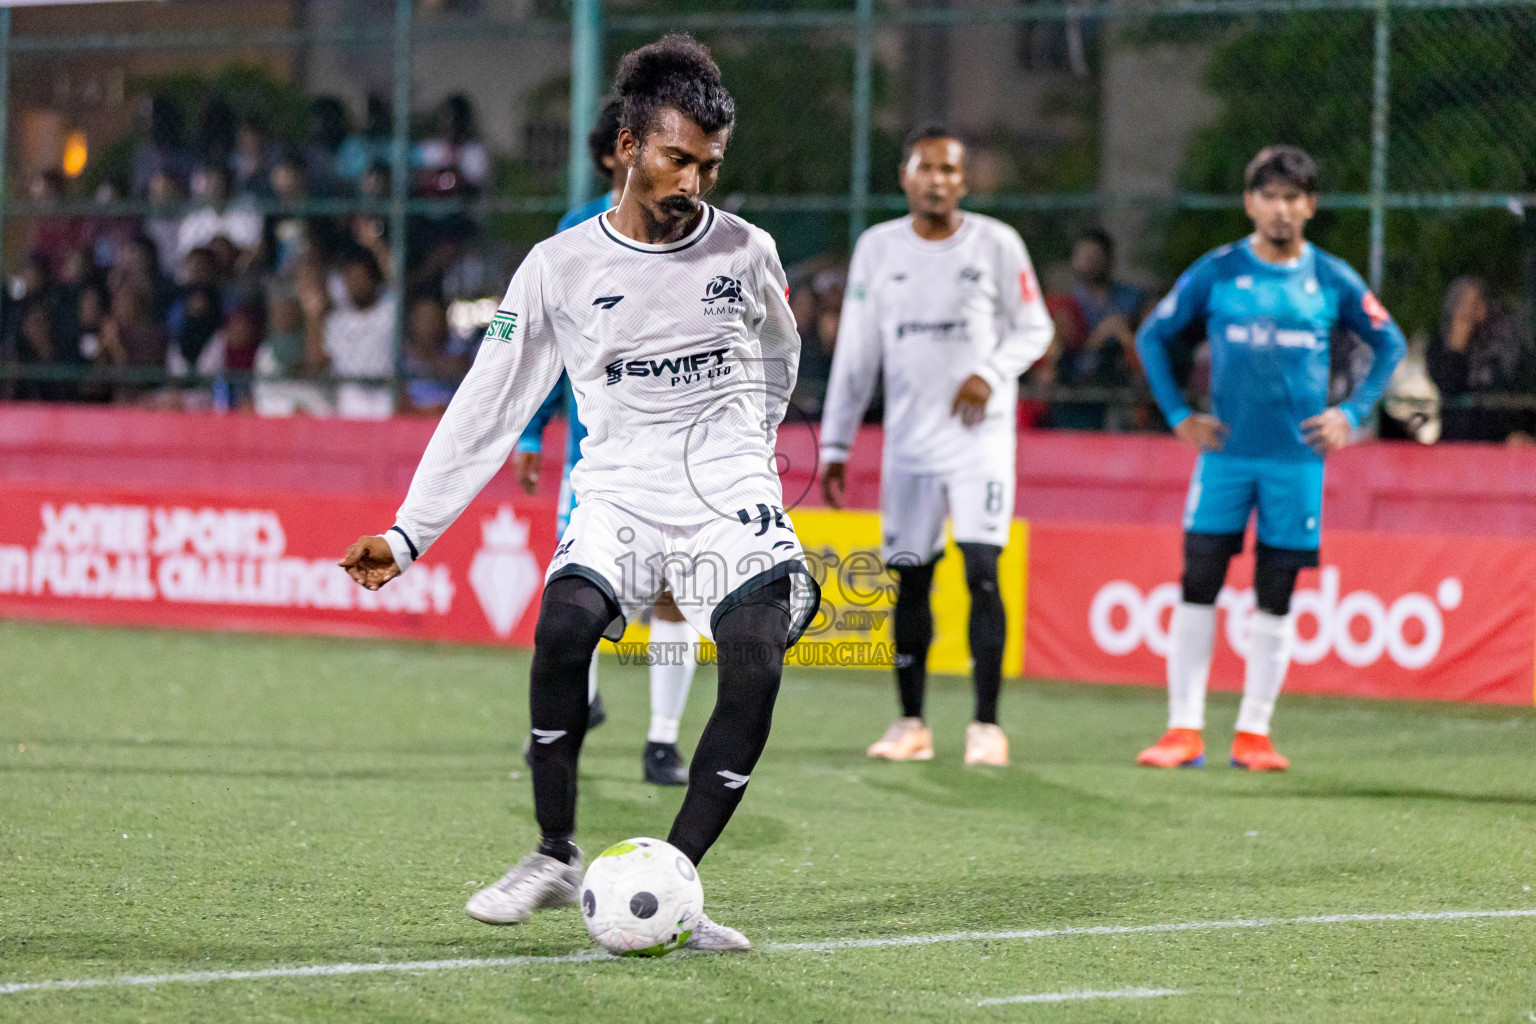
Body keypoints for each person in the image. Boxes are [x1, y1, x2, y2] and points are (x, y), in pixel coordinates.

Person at [338, 35, 813, 950]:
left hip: (728, 496)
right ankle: (555, 857)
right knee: (561, 633)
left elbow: (781, 352)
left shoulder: (747, 250)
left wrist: (748, 447)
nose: (693, 183)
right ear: (629, 147)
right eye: (678, 158)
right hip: (620, 492)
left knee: (755, 658)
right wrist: (407, 536)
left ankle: (675, 882)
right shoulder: (558, 268)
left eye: (710, 165)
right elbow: (488, 403)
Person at [1133, 145, 1406, 772]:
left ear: (1309, 206)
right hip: (1226, 458)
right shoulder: (1220, 270)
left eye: (1294, 198)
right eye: (1270, 197)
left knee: (1275, 592)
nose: (1281, 209)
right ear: (1250, 202)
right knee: (1198, 582)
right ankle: (1183, 730)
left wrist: (1352, 412)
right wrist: (1177, 415)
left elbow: (1388, 342)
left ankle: (1254, 732)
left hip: (1296, 463)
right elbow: (1153, 334)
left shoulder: (1331, 278)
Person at [818, 125, 1054, 767]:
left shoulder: (997, 244)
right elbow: (857, 354)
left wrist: (991, 371)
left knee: (982, 569)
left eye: (950, 170)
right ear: (905, 177)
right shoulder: (878, 248)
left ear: (964, 181)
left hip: (979, 443)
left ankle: (985, 725)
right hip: (911, 445)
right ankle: (911, 722)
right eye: (926, 168)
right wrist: (836, 443)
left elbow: (1036, 327)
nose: (938, 180)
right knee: (910, 580)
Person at [512, 97, 702, 787]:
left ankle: (662, 741)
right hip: (596, 454)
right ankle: (579, 706)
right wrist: (531, 430)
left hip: (681, 453)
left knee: (673, 596)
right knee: (578, 588)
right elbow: (542, 345)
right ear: (612, 155)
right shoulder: (572, 235)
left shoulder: (704, 235)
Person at [1426, 276, 1536, 443]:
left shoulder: (1509, 345)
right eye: (1463, 304)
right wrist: (1456, 349)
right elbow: (1449, 390)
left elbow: (1522, 395)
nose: (1469, 312)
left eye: (1476, 303)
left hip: (1504, 445)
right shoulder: (1440, 346)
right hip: (1456, 446)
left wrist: (1525, 435)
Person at [302, 246, 397, 419]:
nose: (355, 283)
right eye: (350, 278)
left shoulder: (388, 311)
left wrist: (375, 244)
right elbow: (316, 363)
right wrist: (313, 316)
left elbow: (396, 280)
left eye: (360, 277)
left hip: (383, 401)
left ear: (373, 279)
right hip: (349, 404)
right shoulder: (338, 320)